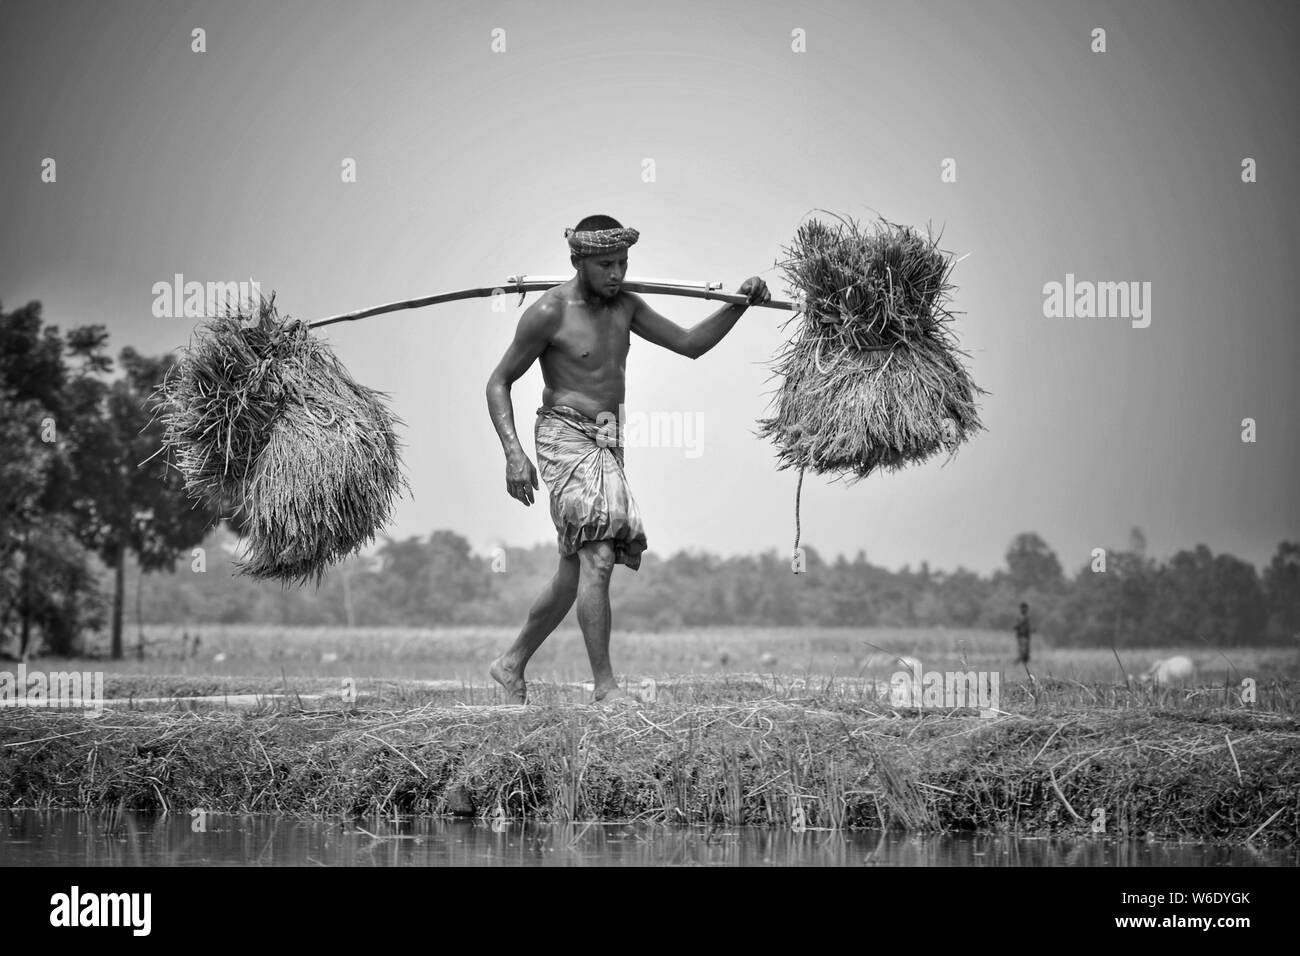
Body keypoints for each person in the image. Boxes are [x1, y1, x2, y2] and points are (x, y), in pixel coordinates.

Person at [485, 215, 770, 703]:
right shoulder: (548, 313)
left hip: (609, 442)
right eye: (605, 265)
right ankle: (606, 688)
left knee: (574, 571)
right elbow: (498, 382)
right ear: (578, 262)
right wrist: (513, 453)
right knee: (598, 556)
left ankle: (511, 663)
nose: (616, 274)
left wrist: (738, 305)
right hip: (565, 436)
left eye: (622, 263)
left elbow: (690, 345)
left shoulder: (626, 307)